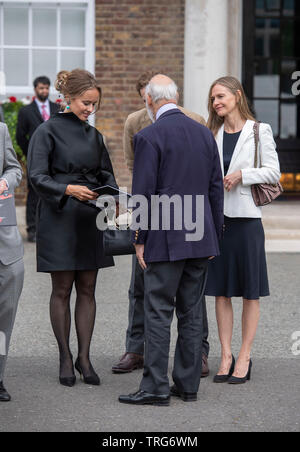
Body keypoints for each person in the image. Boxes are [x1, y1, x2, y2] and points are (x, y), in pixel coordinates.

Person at [119, 75, 224, 406]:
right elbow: (215, 189)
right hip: (200, 235)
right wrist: (214, 236)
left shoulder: (148, 136)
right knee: (192, 312)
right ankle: (188, 385)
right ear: (175, 97)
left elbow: (144, 195)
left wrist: (139, 238)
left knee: (158, 311)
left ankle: (154, 388)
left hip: (164, 238)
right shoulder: (204, 134)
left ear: (149, 101)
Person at [27, 69, 118, 388]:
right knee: (62, 289)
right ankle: (65, 357)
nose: (90, 110)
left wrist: (113, 194)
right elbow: (36, 176)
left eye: (95, 105)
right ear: (68, 98)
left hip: (89, 218)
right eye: (85, 103)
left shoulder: (94, 136)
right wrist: (68, 190)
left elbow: (107, 174)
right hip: (59, 217)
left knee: (89, 289)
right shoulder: (46, 131)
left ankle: (85, 357)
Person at [205, 76, 281, 384]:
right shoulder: (213, 133)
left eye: (220, 96)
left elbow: (274, 171)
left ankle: (245, 355)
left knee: (250, 292)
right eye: (212, 99)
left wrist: (241, 174)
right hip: (219, 221)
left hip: (248, 221)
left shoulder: (259, 130)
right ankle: (225, 355)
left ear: (237, 96)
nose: (216, 103)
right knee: (221, 291)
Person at [16, 76, 60, 243]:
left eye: (47, 88)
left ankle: (52, 228)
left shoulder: (57, 108)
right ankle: (32, 230)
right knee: (34, 193)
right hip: (35, 160)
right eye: (41, 88)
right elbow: (20, 136)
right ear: (35, 89)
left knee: (55, 191)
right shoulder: (25, 112)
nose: (45, 91)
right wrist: (32, 153)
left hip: (56, 159)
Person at [0, 122, 24, 402]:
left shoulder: (2, 130)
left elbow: (14, 168)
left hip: (5, 242)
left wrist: (6, 181)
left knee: (4, 313)